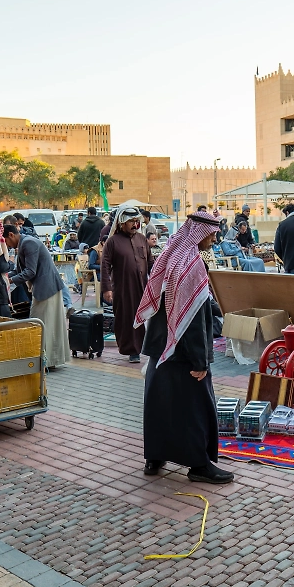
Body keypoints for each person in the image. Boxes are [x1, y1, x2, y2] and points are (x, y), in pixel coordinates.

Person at [136, 210, 233, 484]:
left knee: (159, 405)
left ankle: (155, 457)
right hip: (183, 354)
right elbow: (192, 319)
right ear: (199, 233)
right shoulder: (191, 264)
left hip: (160, 349)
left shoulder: (169, 255)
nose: (214, 239)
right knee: (195, 409)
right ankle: (199, 465)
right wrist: (200, 361)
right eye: (211, 234)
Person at [5, 222, 71, 369]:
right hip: (45, 288)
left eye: (6, 241)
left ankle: (46, 361)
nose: (7, 245)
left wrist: (9, 280)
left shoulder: (28, 243)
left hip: (46, 288)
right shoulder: (24, 243)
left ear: (11, 235)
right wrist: (4, 276)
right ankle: (49, 360)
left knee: (40, 324)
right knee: (47, 324)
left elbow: (30, 271)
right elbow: (19, 270)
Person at [101, 206, 151, 362]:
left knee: (142, 316)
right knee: (127, 318)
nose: (134, 224)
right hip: (123, 288)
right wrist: (106, 289)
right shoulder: (112, 242)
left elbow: (150, 262)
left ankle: (141, 347)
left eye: (136, 221)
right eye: (131, 221)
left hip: (142, 286)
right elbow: (105, 266)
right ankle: (132, 350)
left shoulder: (142, 239)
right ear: (122, 223)